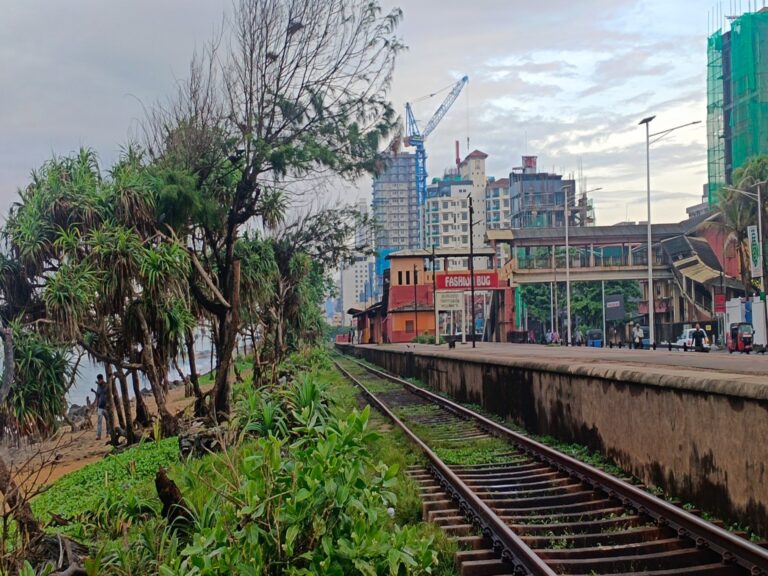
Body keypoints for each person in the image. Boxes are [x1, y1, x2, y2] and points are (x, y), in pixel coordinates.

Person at [93, 374, 108, 440]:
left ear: (102, 379)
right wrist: (96, 405)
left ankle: (108, 433)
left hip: (107, 406)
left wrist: (101, 385)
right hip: (100, 407)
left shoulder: (106, 385)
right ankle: (98, 435)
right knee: (99, 421)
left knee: (108, 420)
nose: (99, 381)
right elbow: (98, 395)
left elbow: (106, 392)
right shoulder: (98, 386)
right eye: (98, 380)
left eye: (100, 379)